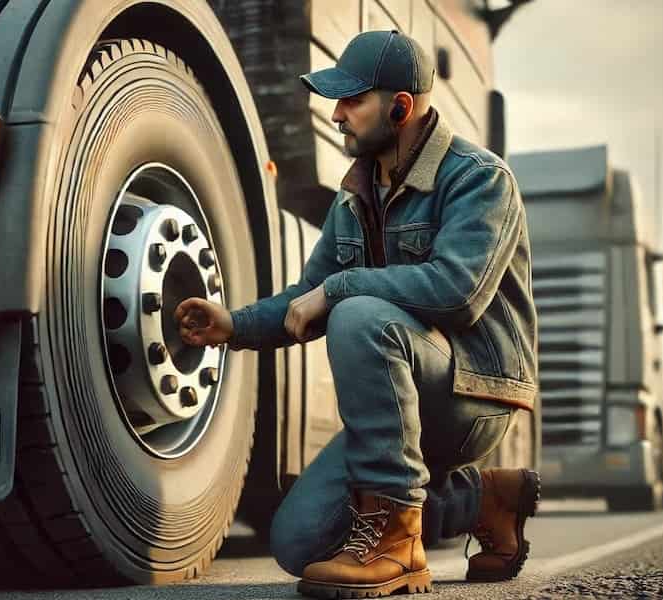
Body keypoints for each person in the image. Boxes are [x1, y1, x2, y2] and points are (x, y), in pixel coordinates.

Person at [175, 29, 540, 599]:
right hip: (407, 395)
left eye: (352, 100)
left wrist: (342, 289)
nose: (337, 113)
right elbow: (307, 295)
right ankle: (484, 499)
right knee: (298, 545)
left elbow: (458, 292)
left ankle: (396, 544)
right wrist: (234, 325)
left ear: (400, 107)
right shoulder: (357, 193)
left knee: (358, 313)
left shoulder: (479, 178)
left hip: (472, 393)